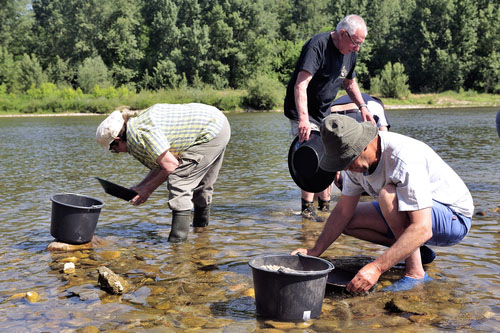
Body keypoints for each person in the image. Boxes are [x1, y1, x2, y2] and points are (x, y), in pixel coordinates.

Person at [292, 114, 474, 292]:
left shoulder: (403, 158)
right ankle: (415, 252)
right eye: (340, 163)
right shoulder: (353, 163)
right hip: (418, 216)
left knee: (388, 196)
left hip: (454, 218)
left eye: (347, 160)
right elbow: (342, 213)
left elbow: (423, 228)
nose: (345, 168)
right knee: (347, 222)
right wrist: (315, 251)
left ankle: (416, 273)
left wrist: (377, 268)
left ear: (363, 147)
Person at [284, 14, 375, 221]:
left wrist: (363, 106)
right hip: (303, 109)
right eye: (356, 43)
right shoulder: (318, 46)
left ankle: (324, 208)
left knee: (330, 158)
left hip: (325, 111)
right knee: (311, 154)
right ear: (343, 34)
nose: (357, 48)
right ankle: (307, 210)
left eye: (360, 44)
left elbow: (350, 83)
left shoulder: (350, 51)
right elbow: (301, 84)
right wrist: (304, 120)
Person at [95, 103, 231, 242]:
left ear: (118, 140)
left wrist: (147, 190)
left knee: (179, 181)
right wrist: (141, 186)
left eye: (113, 148)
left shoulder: (140, 135)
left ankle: (177, 245)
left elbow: (171, 166)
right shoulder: (136, 127)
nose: (115, 153)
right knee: (202, 184)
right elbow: (162, 162)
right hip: (218, 124)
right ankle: (201, 232)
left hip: (210, 132)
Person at [331, 93, 390, 189]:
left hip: (332, 113)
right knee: (362, 155)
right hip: (357, 112)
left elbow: (334, 147)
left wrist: (337, 171)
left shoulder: (350, 98)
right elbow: (385, 138)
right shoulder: (377, 105)